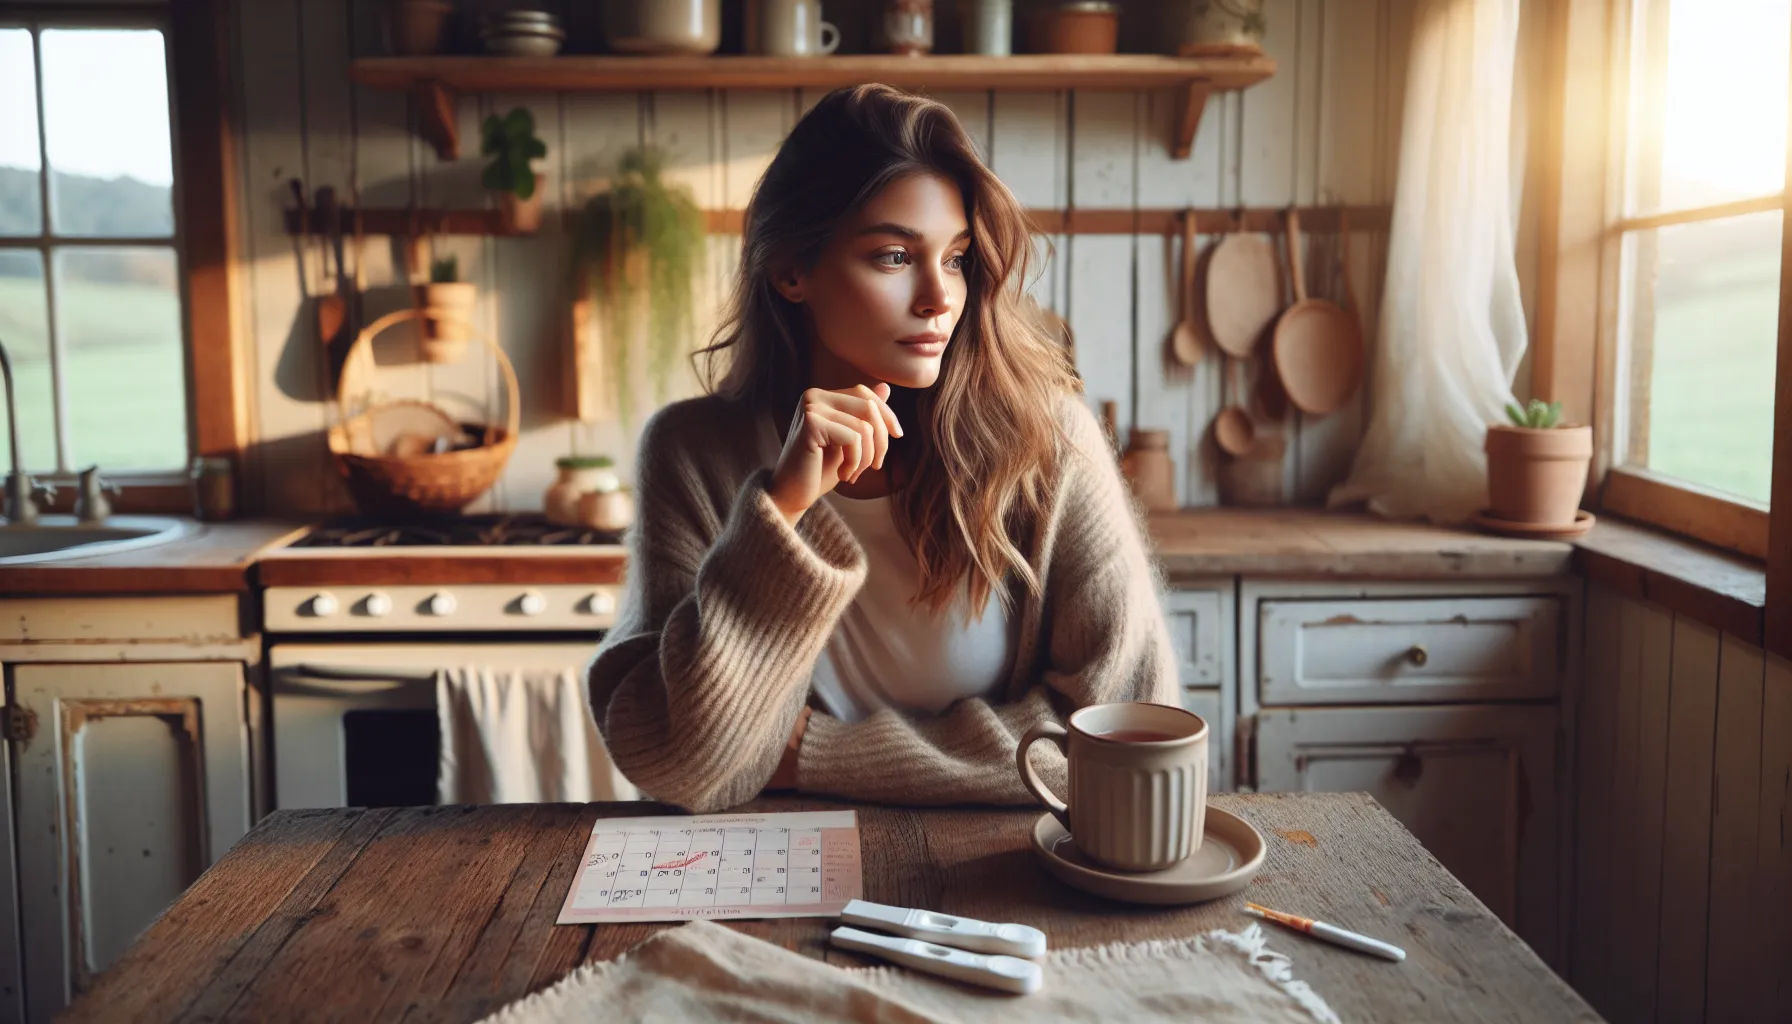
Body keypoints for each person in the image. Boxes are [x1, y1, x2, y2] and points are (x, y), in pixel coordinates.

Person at [586, 83, 1178, 813]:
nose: (939, 297)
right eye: (895, 256)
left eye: (957, 258)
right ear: (792, 271)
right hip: (766, 873)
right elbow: (676, 763)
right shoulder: (690, 452)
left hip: (998, 876)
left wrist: (816, 755)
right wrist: (780, 510)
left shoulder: (1048, 441)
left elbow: (1123, 739)